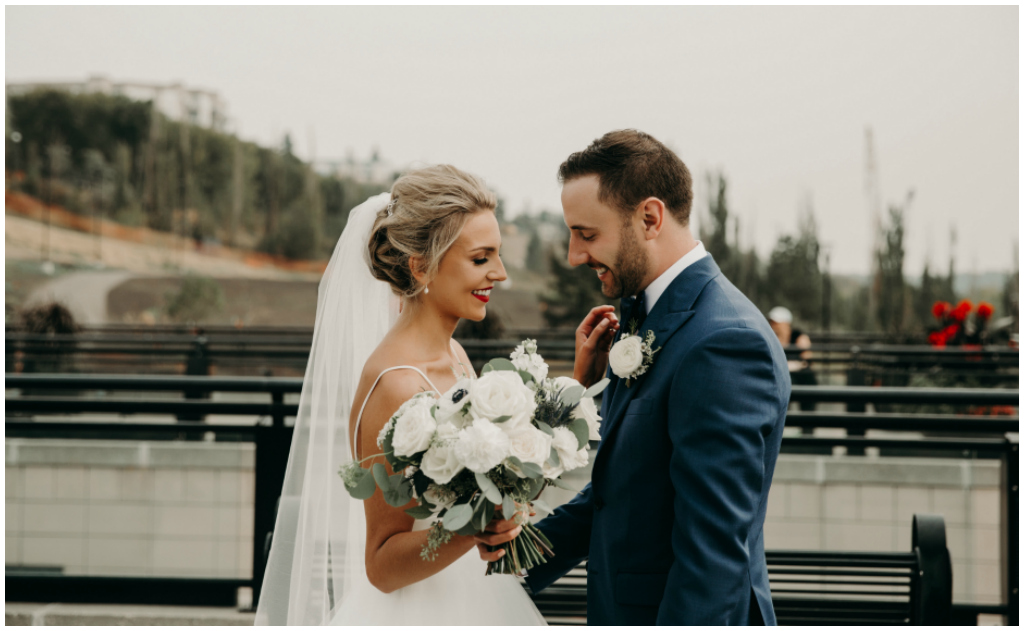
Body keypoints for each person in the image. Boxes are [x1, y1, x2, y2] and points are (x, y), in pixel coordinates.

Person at [478, 130, 790, 625]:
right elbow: (624, 491)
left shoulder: (723, 343)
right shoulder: (648, 319)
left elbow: (712, 562)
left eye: (586, 233)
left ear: (649, 218)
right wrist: (503, 567)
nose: (573, 255)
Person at [255, 165, 545, 625]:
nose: (501, 273)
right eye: (481, 258)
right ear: (421, 266)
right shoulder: (393, 385)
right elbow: (381, 565)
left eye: (498, 255)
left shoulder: (455, 355)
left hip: (478, 599)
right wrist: (475, 526)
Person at [768, 306, 817, 412]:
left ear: (786, 324)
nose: (774, 326)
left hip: (800, 377)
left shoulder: (799, 337)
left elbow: (808, 361)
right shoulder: (770, 338)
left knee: (808, 381)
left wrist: (794, 365)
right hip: (781, 377)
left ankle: (808, 423)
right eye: (772, 322)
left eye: (777, 322)